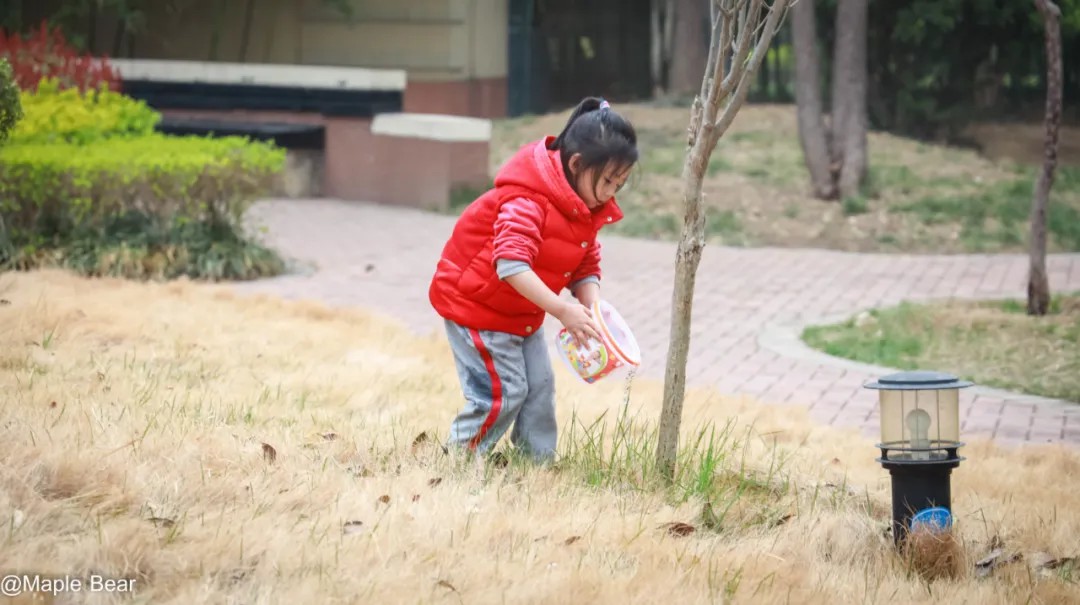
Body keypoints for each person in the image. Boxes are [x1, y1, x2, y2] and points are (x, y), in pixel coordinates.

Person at [428, 96, 638, 463]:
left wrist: (592, 310)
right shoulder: (528, 200)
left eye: (619, 185)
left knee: (539, 387)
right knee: (503, 393)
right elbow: (510, 263)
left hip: (520, 314)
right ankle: (458, 461)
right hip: (476, 308)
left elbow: (586, 261)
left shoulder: (585, 205)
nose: (610, 194)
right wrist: (561, 310)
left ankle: (536, 464)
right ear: (576, 164)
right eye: (607, 181)